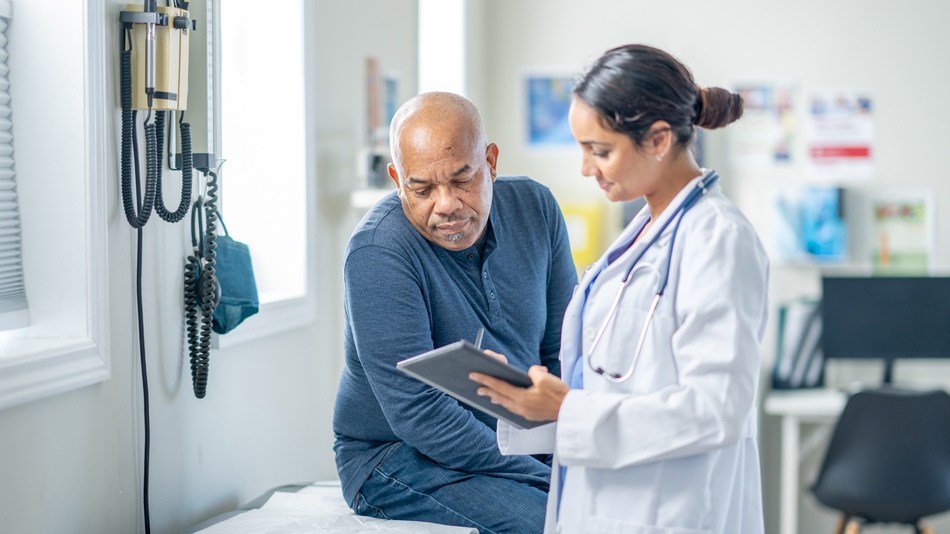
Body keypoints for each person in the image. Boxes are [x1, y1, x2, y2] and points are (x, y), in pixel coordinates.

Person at [471, 44, 769, 534]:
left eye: (600, 151)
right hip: (607, 506)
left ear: (657, 139)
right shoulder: (642, 234)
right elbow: (610, 389)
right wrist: (531, 403)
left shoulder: (719, 238)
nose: (587, 169)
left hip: (676, 513)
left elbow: (717, 411)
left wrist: (569, 410)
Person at [332, 91, 578, 533]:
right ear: (396, 179)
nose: (445, 205)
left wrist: (572, 451)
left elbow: (564, 351)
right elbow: (418, 410)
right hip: (396, 455)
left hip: (518, 439)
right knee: (558, 523)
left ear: (491, 162)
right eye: (421, 188)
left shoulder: (537, 209)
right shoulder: (378, 252)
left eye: (462, 179)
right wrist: (544, 478)